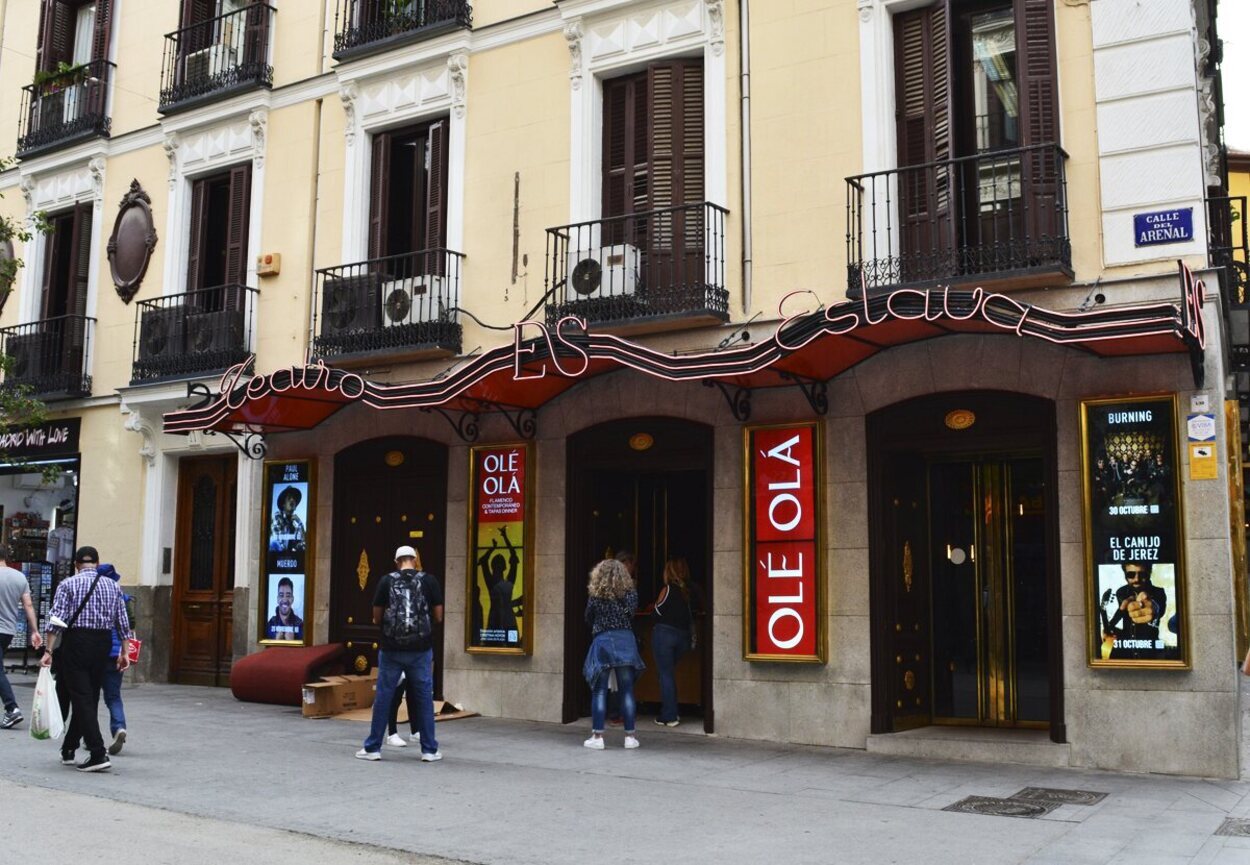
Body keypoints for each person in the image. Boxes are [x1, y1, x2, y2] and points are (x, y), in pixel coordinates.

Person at [42, 546, 130, 772]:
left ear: (76, 565)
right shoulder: (113, 586)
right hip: (102, 644)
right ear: (97, 563)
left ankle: (98, 752)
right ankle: (70, 747)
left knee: (81, 697)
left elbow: (56, 621)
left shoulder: (68, 584)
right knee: (89, 697)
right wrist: (125, 652)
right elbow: (122, 621)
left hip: (77, 643)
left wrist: (48, 651)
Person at [356, 545, 443, 762]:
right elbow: (439, 616)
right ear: (415, 560)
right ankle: (429, 750)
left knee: (384, 695)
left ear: (397, 562)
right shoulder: (429, 580)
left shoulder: (386, 581)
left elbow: (376, 617)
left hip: (391, 649)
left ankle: (373, 748)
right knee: (424, 697)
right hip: (421, 650)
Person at [582, 558, 644, 750]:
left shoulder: (596, 595)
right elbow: (632, 613)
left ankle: (597, 736)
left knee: (599, 690)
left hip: (603, 641)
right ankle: (630, 737)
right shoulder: (630, 593)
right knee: (627, 690)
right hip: (625, 640)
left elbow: (588, 617)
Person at [650, 557, 698, 727]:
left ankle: (669, 715)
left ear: (668, 572)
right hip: (684, 637)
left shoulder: (668, 589)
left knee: (665, 674)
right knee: (666, 673)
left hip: (665, 636)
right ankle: (670, 711)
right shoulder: (691, 590)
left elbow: (656, 613)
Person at [0, 546, 42, 729]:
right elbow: (28, 605)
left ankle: (12, 708)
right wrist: (35, 630)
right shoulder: (19, 577)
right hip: (8, 631)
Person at [1104, 562, 1168, 659]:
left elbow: (1158, 609)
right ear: (1125, 575)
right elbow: (1121, 613)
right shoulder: (1121, 592)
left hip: (1150, 652)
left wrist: (1153, 607)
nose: (1136, 579)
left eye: (1142, 574)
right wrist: (1109, 628)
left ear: (1149, 573)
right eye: (1131, 574)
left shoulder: (1159, 592)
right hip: (1125, 651)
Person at [98, 564, 130, 755]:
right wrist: (124, 652)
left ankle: (89, 735)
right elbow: (127, 626)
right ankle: (119, 727)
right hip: (117, 654)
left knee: (90, 696)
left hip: (97, 651)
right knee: (114, 696)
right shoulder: (122, 597)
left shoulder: (96, 596)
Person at [478, 526, 520, 635]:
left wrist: (505, 537)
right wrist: (493, 548)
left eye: (499, 564)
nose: (498, 567)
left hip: (506, 620)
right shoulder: (492, 582)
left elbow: (513, 556)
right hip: (496, 620)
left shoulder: (505, 582)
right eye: (496, 564)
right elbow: (483, 561)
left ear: (504, 567)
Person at [385, 671, 420, 748]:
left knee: (413, 694)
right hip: (396, 662)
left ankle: (415, 731)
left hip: (412, 661)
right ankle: (392, 733)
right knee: (396, 696)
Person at [269, 486, 306, 552]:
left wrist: (300, 524)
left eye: (294, 499)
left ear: (295, 507)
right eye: (289, 498)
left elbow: (302, 546)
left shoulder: (295, 525)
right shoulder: (277, 517)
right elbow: (278, 542)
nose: (292, 500)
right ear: (283, 504)